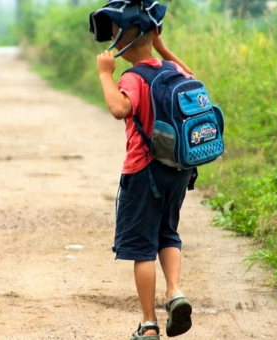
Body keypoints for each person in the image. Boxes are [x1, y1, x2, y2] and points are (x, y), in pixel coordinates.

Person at [96, 21, 195, 340]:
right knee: (168, 233)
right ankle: (175, 292)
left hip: (143, 172)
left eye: (113, 33)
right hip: (177, 169)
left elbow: (118, 108)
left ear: (120, 43)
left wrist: (104, 75)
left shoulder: (132, 77)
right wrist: (163, 48)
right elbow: (191, 79)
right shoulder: (171, 70)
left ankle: (149, 324)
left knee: (141, 248)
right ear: (153, 35)